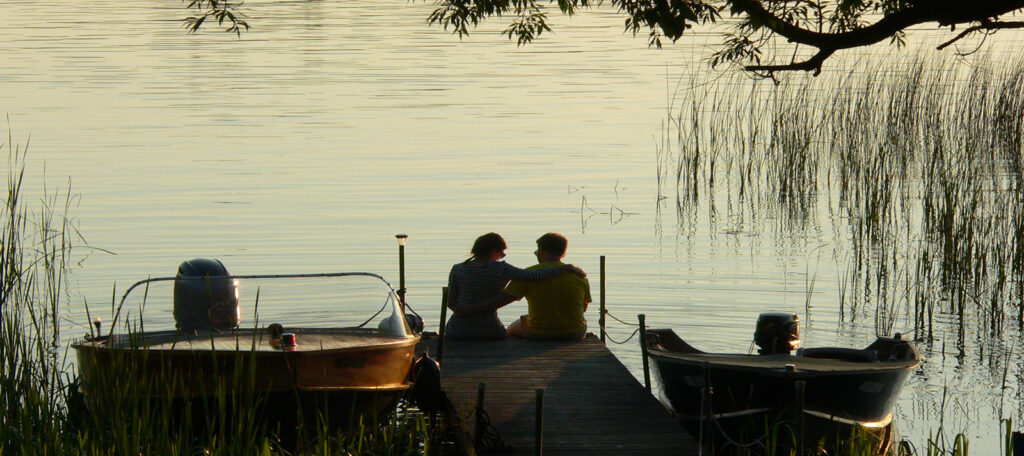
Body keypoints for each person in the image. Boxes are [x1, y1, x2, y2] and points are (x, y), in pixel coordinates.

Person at [445, 233, 584, 340]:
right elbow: (533, 276)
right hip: (490, 331)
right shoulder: (502, 268)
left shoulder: (457, 269)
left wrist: (464, 310)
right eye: (501, 251)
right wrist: (565, 268)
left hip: (456, 331)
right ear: (493, 250)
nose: (504, 255)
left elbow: (450, 302)